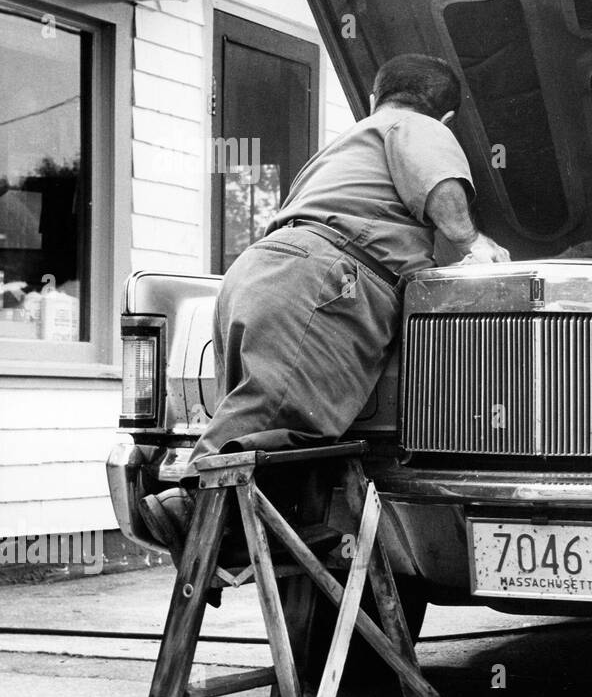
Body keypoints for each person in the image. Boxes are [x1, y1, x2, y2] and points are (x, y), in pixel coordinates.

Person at [139, 54, 509, 545]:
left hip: (260, 271)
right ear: (446, 119)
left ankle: (259, 534)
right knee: (275, 415)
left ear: (375, 98)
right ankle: (189, 507)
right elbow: (440, 186)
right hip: (320, 275)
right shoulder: (418, 127)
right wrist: (472, 243)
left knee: (282, 423)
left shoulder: (345, 149)